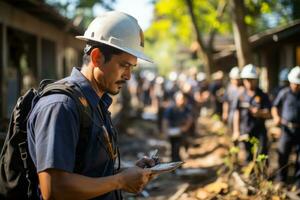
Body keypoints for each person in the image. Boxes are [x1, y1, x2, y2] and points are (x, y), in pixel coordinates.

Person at [27, 11, 156, 200]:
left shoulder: (94, 103)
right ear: (96, 57)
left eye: (131, 68)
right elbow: (53, 189)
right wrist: (119, 180)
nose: (128, 76)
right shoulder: (61, 106)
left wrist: (129, 173)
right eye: (123, 65)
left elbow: (86, 170)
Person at [232, 64, 271, 162]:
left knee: (262, 154)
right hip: (245, 131)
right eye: (247, 79)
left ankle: (261, 175)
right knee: (248, 155)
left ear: (256, 80)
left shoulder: (262, 95)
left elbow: (269, 113)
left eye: (251, 79)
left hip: (260, 131)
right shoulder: (240, 95)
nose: (249, 82)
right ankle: (250, 175)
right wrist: (236, 131)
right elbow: (237, 113)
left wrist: (260, 113)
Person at [272, 66, 300, 187]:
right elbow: (274, 107)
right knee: (283, 154)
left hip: (299, 130)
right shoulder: (284, 93)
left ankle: (298, 183)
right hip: (286, 129)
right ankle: (281, 179)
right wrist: (276, 117)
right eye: (295, 83)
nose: (297, 86)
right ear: (290, 82)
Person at [162, 91, 193, 162]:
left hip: (183, 132)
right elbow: (165, 121)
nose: (182, 100)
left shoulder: (186, 108)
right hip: (173, 132)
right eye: (180, 99)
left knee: (182, 146)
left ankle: (179, 161)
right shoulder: (170, 109)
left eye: (183, 99)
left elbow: (190, 119)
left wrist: (186, 127)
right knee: (174, 149)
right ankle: (175, 164)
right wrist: (165, 131)